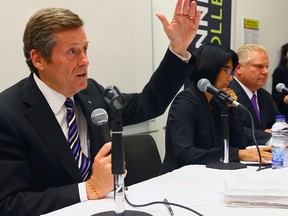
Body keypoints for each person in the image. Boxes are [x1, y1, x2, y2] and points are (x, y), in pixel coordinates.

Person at [0, 0, 202, 215]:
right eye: (72, 52)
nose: (85, 61)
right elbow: (9, 204)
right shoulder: (8, 114)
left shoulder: (90, 93)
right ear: (38, 59)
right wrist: (89, 188)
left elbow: (147, 105)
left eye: (85, 49)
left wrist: (178, 49)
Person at [160, 43, 272, 174]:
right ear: (210, 67)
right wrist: (238, 154)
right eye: (227, 70)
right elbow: (185, 154)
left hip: (209, 174)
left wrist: (230, 108)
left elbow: (239, 142)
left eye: (232, 71)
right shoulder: (185, 101)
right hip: (180, 178)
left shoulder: (216, 102)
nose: (231, 77)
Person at [230, 43, 279, 146]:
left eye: (267, 67)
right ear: (238, 68)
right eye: (259, 66)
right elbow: (235, 130)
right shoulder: (228, 92)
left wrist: (279, 131)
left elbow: (278, 121)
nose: (265, 72)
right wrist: (268, 137)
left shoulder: (265, 96)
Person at [272, 43, 288, 120]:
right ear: (285, 55)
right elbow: (274, 93)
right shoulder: (279, 71)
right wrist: (284, 97)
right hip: (283, 111)